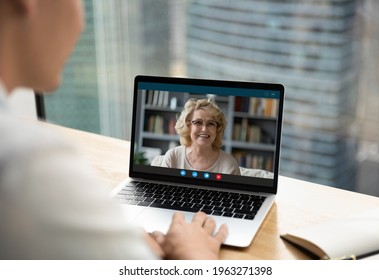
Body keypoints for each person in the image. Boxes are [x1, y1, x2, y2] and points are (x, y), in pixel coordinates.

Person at [0, 0, 227, 259]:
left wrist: (120, 243)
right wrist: (196, 255)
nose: (81, 23)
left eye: (210, 123)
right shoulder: (28, 163)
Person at [161, 98, 241, 175]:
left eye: (211, 123)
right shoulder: (173, 157)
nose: (204, 129)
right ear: (188, 126)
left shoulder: (230, 165)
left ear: (217, 129)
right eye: (198, 122)